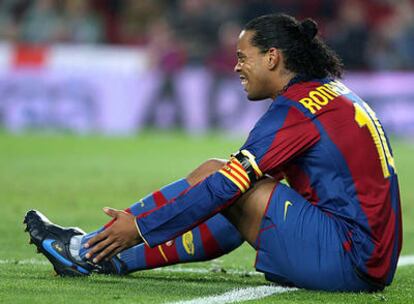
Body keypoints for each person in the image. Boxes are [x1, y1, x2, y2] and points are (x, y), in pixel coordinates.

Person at [24, 13, 402, 292]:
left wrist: (140, 227)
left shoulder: (297, 110)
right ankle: (99, 254)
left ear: (272, 57)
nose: (236, 67)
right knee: (226, 182)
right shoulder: (330, 94)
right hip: (368, 256)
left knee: (218, 179)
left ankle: (88, 250)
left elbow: (223, 187)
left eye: (242, 57)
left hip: (349, 260)